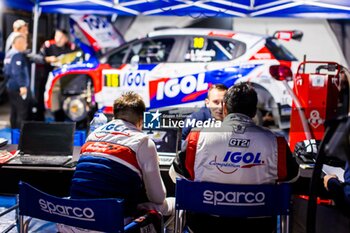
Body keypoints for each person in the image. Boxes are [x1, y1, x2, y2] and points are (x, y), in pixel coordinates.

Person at [170, 82, 299, 233]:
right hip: (257, 228)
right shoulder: (276, 142)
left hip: (204, 227)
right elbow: (293, 176)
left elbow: (174, 174)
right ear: (253, 111)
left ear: (225, 108)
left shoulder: (197, 137)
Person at [60, 92, 173, 232]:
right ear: (141, 120)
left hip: (74, 220)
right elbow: (157, 197)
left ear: (114, 117)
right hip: (109, 224)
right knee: (172, 204)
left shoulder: (93, 135)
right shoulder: (143, 141)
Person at [32, 28, 78, 121]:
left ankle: (60, 121)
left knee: (60, 101)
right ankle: (39, 120)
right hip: (47, 77)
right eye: (56, 36)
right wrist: (47, 59)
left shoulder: (71, 47)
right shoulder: (48, 45)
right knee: (41, 99)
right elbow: (36, 58)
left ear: (66, 39)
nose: (58, 39)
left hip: (64, 80)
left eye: (61, 37)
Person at [4, 33, 31, 129]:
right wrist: (22, 85)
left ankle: (14, 132)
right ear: (18, 43)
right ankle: (20, 135)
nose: (26, 45)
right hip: (17, 87)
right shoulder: (17, 55)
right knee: (22, 112)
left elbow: (6, 71)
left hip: (10, 86)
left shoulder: (9, 54)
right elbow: (17, 72)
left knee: (14, 111)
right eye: (25, 43)